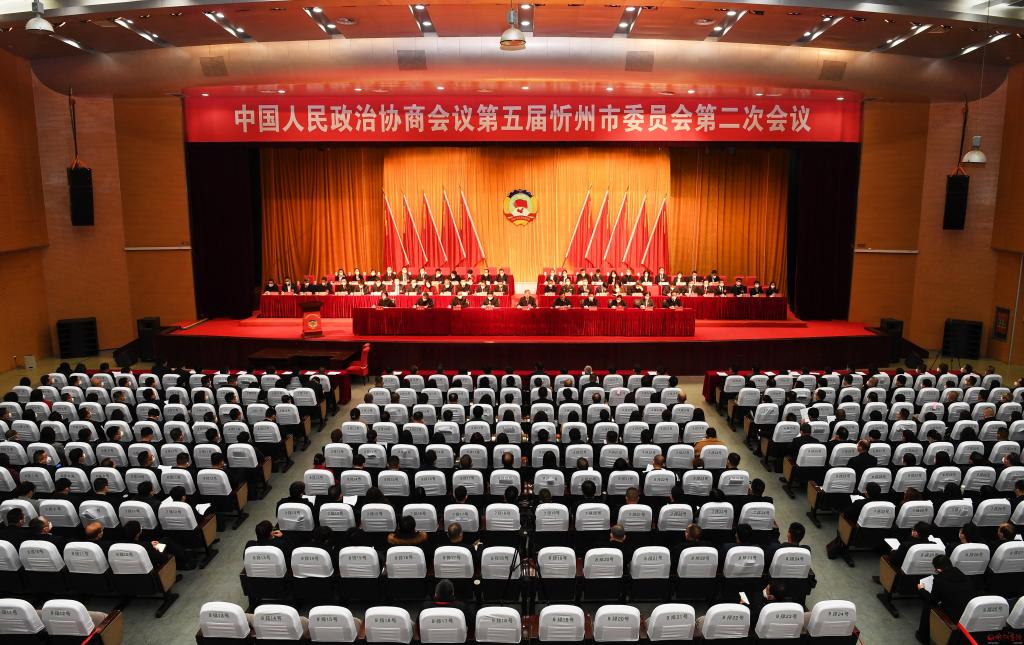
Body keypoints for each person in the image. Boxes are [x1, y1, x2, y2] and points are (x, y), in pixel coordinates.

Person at [916, 555, 974, 644]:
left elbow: (932, 600)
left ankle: (923, 636)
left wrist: (922, 590)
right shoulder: (962, 574)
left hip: (953, 615)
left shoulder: (939, 580)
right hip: (967, 612)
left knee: (928, 606)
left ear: (939, 569)